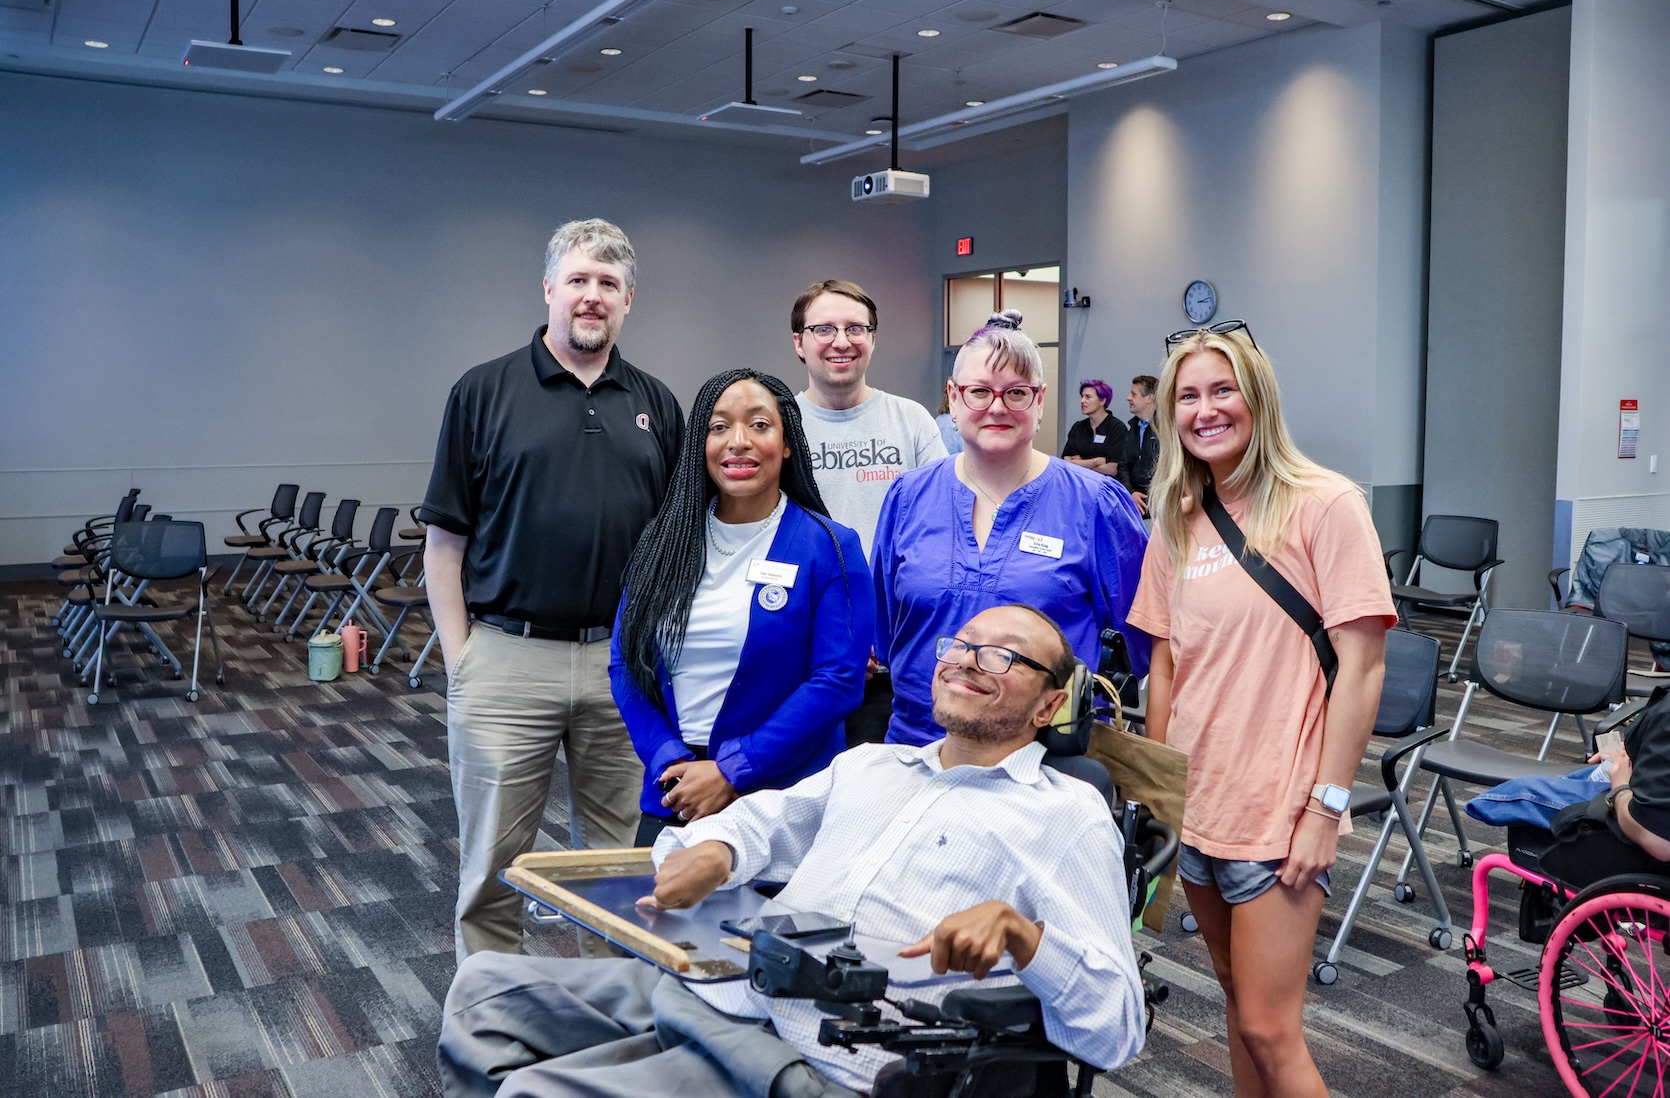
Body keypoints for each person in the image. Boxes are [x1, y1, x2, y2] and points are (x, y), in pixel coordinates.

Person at [438, 604, 1148, 1098]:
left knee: (537, 1092)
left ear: (1051, 705)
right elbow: (761, 824)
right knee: (482, 990)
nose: (967, 661)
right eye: (960, 646)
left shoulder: (1065, 814)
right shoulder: (873, 767)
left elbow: (1116, 1030)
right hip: (730, 992)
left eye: (1003, 656)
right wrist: (719, 851)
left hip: (826, 1054)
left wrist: (1027, 940)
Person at [1125, 320, 1394, 1097]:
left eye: (1222, 390)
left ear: (1258, 399)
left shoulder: (1324, 503)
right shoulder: (1176, 516)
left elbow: (1363, 668)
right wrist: (1159, 802)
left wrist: (1325, 806)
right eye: (1188, 396)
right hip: (1198, 804)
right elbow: (1166, 668)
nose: (1205, 410)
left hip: (1279, 812)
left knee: (1274, 1029)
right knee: (1239, 1007)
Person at [419, 218, 683, 960]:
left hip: (622, 667)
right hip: (507, 658)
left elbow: (675, 548)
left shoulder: (657, 405)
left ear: (629, 300)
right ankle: (492, 1027)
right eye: (578, 280)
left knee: (619, 871)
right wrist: (461, 658)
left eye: (608, 284)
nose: (591, 297)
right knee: (494, 873)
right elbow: (444, 544)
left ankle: (609, 1021)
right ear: (548, 290)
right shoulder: (483, 391)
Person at [611, 368, 873, 848]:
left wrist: (733, 770)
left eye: (759, 425)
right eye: (719, 426)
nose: (738, 441)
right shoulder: (663, 544)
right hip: (675, 793)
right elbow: (626, 663)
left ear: (788, 442)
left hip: (780, 799)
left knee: (762, 927)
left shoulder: (831, 547)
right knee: (656, 923)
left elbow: (837, 682)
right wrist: (669, 760)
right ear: (700, 444)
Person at [871, 311, 1150, 747]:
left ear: (1040, 400)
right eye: (979, 391)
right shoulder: (908, 498)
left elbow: (1151, 642)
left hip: (1044, 760)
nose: (997, 407)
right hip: (916, 750)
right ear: (954, 396)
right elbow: (888, 633)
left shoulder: (1094, 505)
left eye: (1016, 393)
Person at [790, 279, 947, 747]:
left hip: (897, 659)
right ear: (799, 342)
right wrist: (834, 641)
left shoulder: (912, 421)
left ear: (873, 338)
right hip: (803, 658)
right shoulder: (779, 426)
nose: (842, 342)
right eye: (824, 329)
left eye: (856, 328)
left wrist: (881, 635)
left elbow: (943, 531)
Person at [1060, 379, 1126, 480]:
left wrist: (1079, 463)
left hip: (1106, 487)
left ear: (1102, 401)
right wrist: (1096, 461)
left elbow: (1112, 469)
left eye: (1088, 397)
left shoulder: (1117, 428)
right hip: (1080, 485)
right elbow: (1066, 462)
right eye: (1082, 397)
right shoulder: (1078, 427)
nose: (1082, 401)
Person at [1122, 375, 1160, 515]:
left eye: (1133, 394)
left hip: (1158, 506)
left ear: (1149, 398)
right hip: (1134, 505)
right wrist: (1131, 492)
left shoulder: (1165, 429)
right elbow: (1123, 465)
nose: (1128, 398)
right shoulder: (1133, 428)